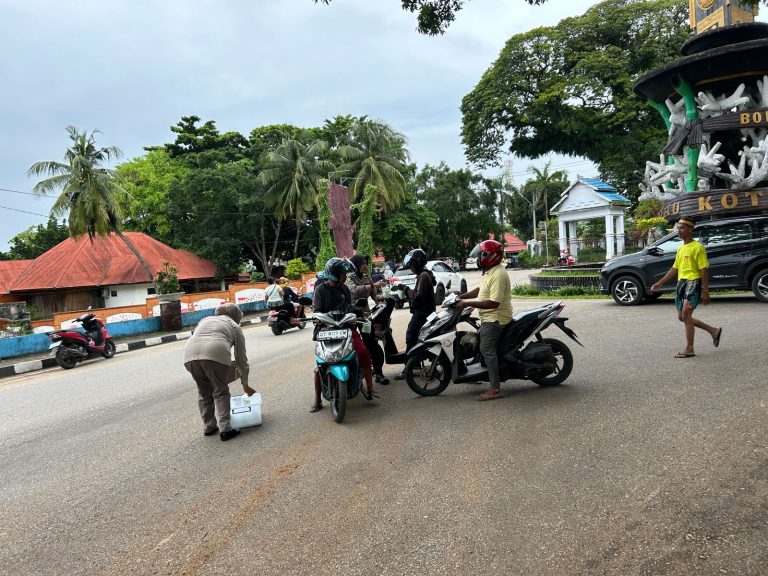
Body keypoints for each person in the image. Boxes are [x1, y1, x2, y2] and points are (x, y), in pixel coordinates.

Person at [309, 257, 377, 413]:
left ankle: (370, 388)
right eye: (342, 273)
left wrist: (359, 314)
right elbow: (316, 311)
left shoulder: (345, 289)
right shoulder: (320, 290)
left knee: (363, 352)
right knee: (320, 364)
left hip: (346, 328)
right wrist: (321, 319)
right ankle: (317, 400)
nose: (345, 276)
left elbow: (350, 308)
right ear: (333, 274)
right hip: (326, 330)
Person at [650, 217, 722, 358]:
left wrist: (705, 290)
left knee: (686, 315)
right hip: (681, 284)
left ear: (690, 229)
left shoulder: (698, 247)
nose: (679, 231)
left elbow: (703, 270)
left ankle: (690, 348)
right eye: (678, 228)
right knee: (682, 317)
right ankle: (713, 331)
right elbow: (675, 268)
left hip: (693, 283)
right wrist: (660, 283)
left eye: (682, 228)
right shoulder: (681, 248)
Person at [183, 303, 255, 441]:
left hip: (189, 355)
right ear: (235, 315)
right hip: (215, 353)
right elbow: (241, 359)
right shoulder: (234, 326)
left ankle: (209, 426)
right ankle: (225, 429)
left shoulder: (204, 320)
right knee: (220, 391)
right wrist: (245, 384)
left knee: (204, 391)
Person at [456, 240, 513, 401]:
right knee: (475, 341)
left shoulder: (498, 274)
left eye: (481, 255)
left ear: (490, 256)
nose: (478, 258)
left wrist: (467, 303)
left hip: (495, 318)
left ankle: (495, 388)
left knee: (486, 349)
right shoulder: (490, 271)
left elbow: (493, 303)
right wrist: (461, 296)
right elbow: (481, 290)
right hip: (489, 317)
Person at [346, 254, 390, 385]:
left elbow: (375, 297)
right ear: (356, 265)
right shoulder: (349, 278)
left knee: (371, 343)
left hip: (364, 315)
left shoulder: (367, 278)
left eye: (366, 263)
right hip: (351, 315)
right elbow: (354, 290)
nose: (365, 266)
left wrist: (383, 296)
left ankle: (379, 373)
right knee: (349, 343)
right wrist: (373, 285)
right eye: (363, 263)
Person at [393, 248, 436, 380]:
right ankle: (415, 364)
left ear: (417, 263)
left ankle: (409, 368)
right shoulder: (424, 275)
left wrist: (405, 289)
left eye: (411, 265)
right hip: (424, 312)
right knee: (417, 338)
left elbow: (418, 296)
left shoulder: (424, 276)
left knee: (411, 336)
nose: (410, 268)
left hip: (422, 313)